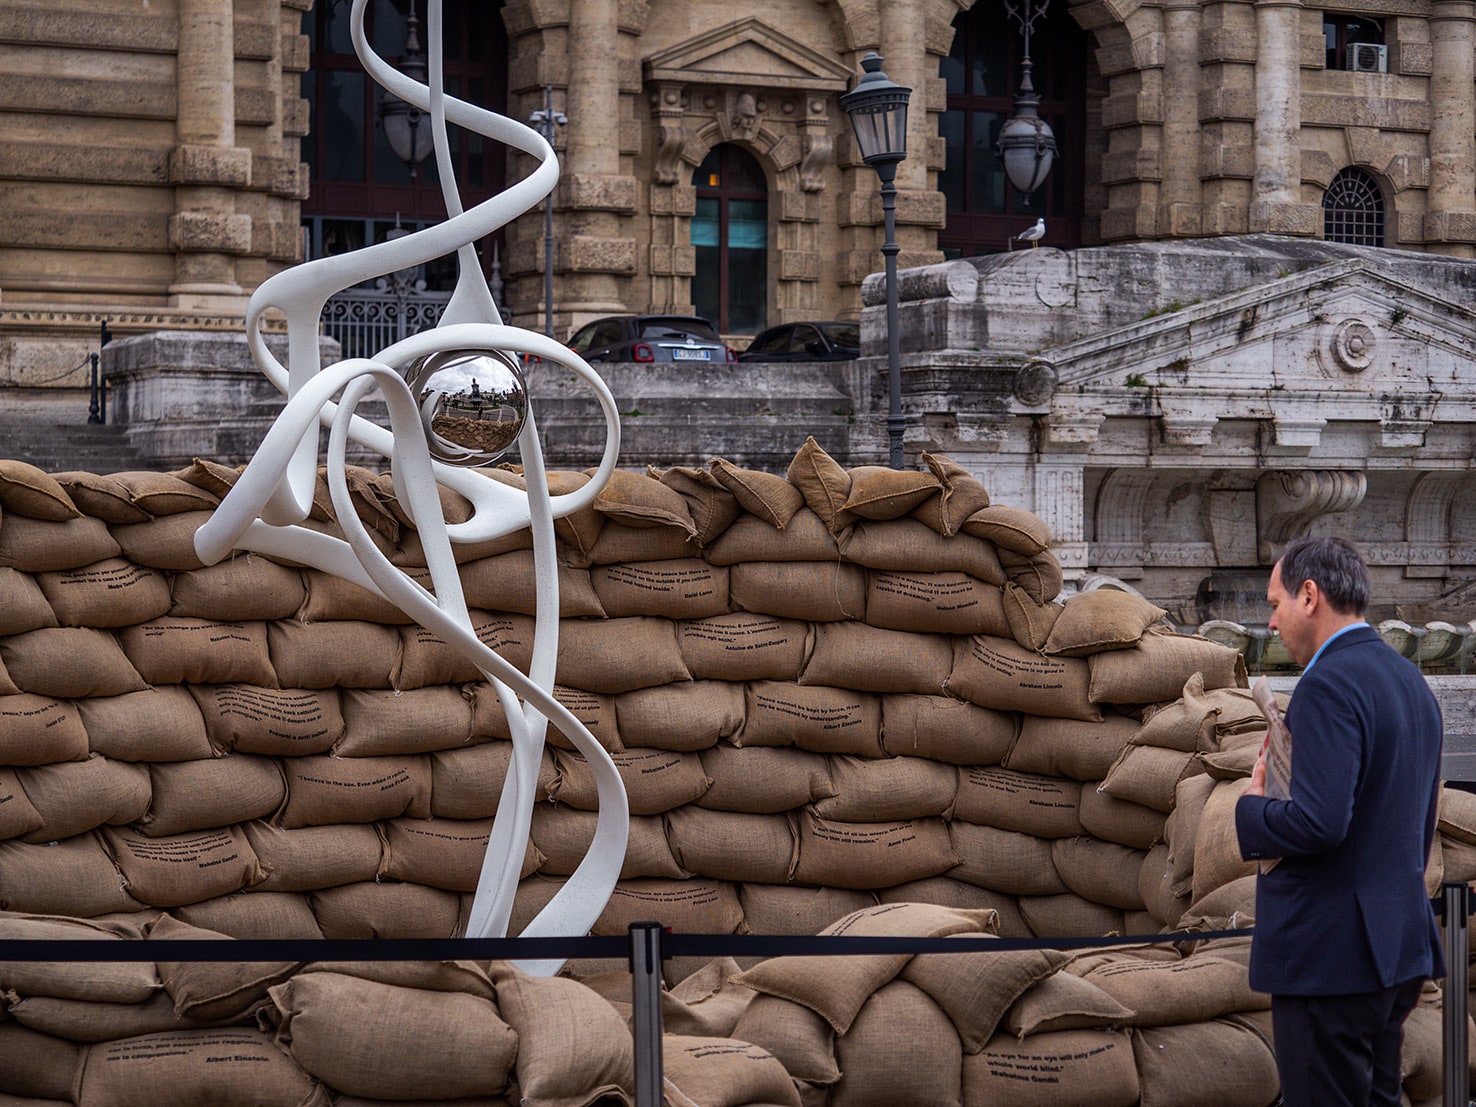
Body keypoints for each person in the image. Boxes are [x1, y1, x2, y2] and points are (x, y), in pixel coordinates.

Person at [1236, 536, 1444, 1107]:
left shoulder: (1327, 684)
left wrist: (1252, 810)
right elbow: (1421, 818)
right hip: (1395, 949)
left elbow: (1321, 823)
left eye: (1275, 604)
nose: (1271, 623)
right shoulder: (1409, 682)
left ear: (1310, 595)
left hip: (1331, 961)